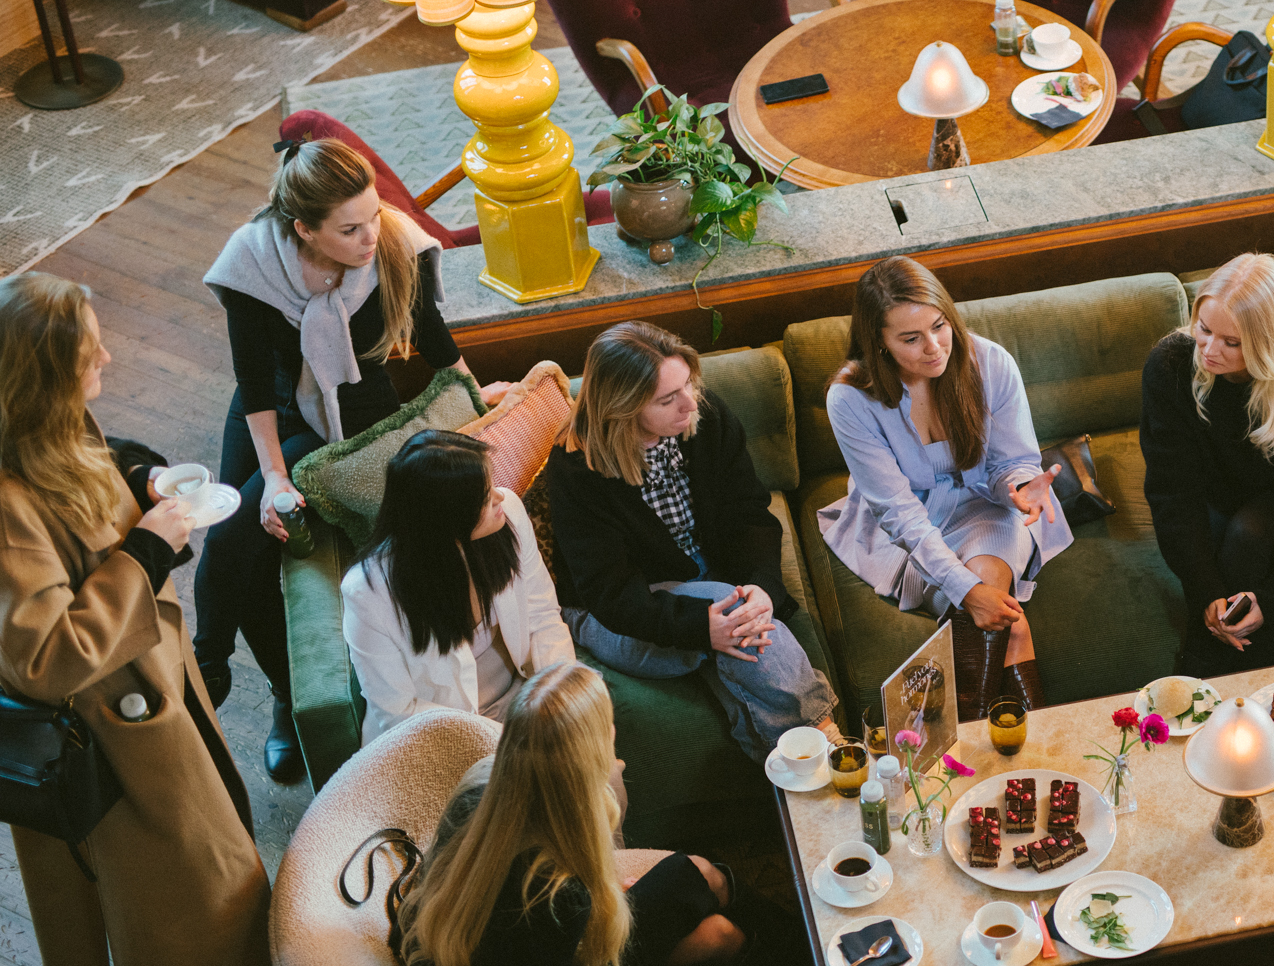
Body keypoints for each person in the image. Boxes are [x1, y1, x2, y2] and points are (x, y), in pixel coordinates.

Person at [0, 273, 307, 966]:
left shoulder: (52, 434)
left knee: (219, 858)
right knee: (166, 925)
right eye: (90, 347)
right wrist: (147, 547)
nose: (108, 355)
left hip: (160, 704)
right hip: (112, 744)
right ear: (46, 373)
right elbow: (47, 654)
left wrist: (137, 484)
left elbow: (91, 496)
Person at [195, 137, 507, 781]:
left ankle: (213, 672)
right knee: (236, 532)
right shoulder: (252, 266)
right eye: (349, 228)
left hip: (353, 405)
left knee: (254, 530)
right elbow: (254, 383)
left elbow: (434, 339)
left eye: (373, 215)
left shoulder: (393, 242)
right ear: (302, 228)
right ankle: (242, 678)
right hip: (275, 407)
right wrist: (275, 473)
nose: (372, 235)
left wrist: (477, 403)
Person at [398, 661, 864, 966]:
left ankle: (802, 958)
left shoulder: (481, 792)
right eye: (608, 723)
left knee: (699, 874)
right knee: (719, 932)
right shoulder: (553, 891)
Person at [544, 323, 838, 758]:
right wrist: (701, 626)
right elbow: (610, 594)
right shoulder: (577, 472)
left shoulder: (706, 418)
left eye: (688, 385)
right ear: (623, 407)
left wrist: (763, 586)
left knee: (741, 635)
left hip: (704, 578)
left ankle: (790, 781)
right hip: (617, 612)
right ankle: (829, 740)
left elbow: (748, 514)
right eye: (668, 398)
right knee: (739, 620)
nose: (689, 402)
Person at [820, 256, 1069, 719]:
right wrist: (965, 590)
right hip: (906, 522)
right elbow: (898, 512)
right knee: (1009, 624)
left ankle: (931, 752)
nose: (934, 347)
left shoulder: (990, 362)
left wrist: (1016, 488)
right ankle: (1026, 751)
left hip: (985, 506)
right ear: (879, 342)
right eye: (911, 339)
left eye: (939, 326)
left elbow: (1011, 463)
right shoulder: (850, 398)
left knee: (995, 596)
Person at [1141, 252, 1274, 676]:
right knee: (1221, 563)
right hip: (1209, 498)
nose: (1210, 350)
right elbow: (1172, 491)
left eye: (1232, 343)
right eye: (1205, 329)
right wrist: (1206, 592)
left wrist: (1272, 600)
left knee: (1249, 537)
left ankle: (1218, 683)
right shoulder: (1172, 365)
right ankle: (1238, 687)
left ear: (1269, 343)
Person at [341, 430, 574, 745]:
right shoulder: (368, 593)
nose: (500, 497)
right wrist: (508, 743)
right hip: (440, 734)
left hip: (519, 700)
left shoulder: (510, 516)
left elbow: (542, 613)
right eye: (484, 496)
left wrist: (561, 695)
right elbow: (397, 711)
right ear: (444, 518)